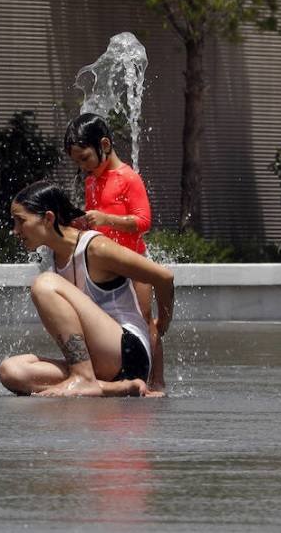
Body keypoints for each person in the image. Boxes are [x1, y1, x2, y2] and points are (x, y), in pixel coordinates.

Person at [0, 180, 174, 397]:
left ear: (48, 218)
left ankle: (84, 378)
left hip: (128, 353)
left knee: (44, 284)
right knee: (11, 371)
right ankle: (115, 387)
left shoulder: (95, 248)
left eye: (20, 221)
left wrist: (163, 323)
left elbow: (163, 277)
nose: (15, 231)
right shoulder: (50, 257)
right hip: (101, 366)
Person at [64, 113, 164, 391]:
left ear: (105, 145)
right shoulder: (91, 181)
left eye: (85, 158)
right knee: (106, 321)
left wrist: (107, 219)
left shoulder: (128, 178)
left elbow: (143, 221)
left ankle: (157, 381)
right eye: (77, 162)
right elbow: (96, 221)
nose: (82, 166)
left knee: (145, 320)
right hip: (105, 266)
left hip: (133, 262)